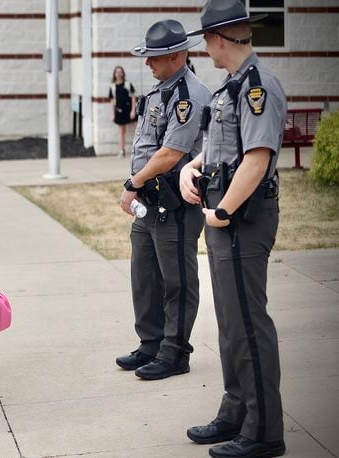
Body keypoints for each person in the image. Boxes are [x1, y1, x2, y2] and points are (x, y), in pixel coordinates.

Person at [180, 1, 287, 457]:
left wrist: (221, 211)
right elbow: (225, 148)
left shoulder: (258, 86)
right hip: (225, 217)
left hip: (241, 219)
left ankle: (264, 433)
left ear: (219, 39)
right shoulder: (232, 88)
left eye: (205, 40)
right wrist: (192, 166)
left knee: (247, 322)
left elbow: (257, 158)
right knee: (230, 322)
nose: (204, 48)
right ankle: (236, 412)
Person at [116, 19, 211, 381]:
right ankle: (151, 343)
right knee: (145, 275)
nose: (147, 63)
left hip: (175, 203)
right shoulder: (159, 91)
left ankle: (175, 353)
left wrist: (132, 182)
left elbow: (171, 153)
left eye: (154, 57)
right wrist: (139, 185)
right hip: (150, 200)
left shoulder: (189, 94)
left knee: (177, 281)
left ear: (175, 55)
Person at [108, 66, 137, 157]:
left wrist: (133, 111)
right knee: (121, 132)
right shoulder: (112, 86)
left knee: (137, 130)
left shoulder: (128, 84)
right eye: (117, 72)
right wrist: (112, 114)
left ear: (123, 73)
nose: (119, 74)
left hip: (129, 110)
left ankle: (137, 149)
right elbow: (112, 101)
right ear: (114, 74)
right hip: (119, 111)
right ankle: (122, 150)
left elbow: (133, 98)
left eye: (120, 72)